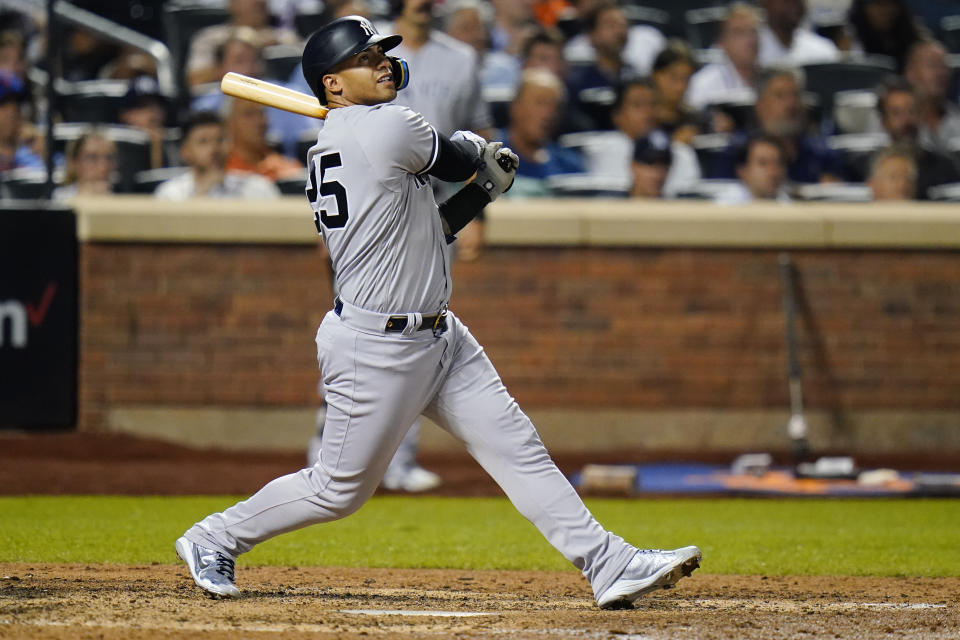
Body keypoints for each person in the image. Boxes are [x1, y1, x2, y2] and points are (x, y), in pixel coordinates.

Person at [174, 15, 701, 608]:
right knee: (336, 491)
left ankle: (608, 563)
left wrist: (482, 192)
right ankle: (212, 536)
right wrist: (479, 151)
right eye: (364, 57)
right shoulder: (384, 129)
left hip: (438, 335)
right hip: (377, 346)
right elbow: (453, 158)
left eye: (381, 52)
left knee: (515, 446)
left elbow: (430, 232)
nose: (381, 61)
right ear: (333, 85)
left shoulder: (350, 138)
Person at [155, 111, 280, 200]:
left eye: (220, 140)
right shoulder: (170, 194)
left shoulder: (257, 188)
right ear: (185, 151)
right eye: (203, 141)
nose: (214, 148)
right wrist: (204, 191)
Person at [502, 69, 586, 196]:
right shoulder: (485, 157)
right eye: (541, 103)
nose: (549, 114)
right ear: (516, 107)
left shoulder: (571, 169)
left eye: (555, 106)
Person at [873, 76, 959, 199]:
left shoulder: (944, 167)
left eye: (911, 111)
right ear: (883, 121)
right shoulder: (868, 166)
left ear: (921, 115)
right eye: (896, 113)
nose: (906, 120)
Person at [186, 0, 300, 88]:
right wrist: (232, 61)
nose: (257, 2)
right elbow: (195, 80)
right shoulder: (210, 37)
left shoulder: (285, 38)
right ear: (232, 3)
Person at [685, 3, 760, 113]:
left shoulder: (771, 80)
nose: (750, 40)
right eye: (739, 32)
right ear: (722, 43)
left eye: (753, 31)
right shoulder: (704, 84)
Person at [224, 98, 304, 181]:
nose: (260, 122)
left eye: (262, 113)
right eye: (248, 114)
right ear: (229, 123)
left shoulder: (288, 171)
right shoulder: (219, 171)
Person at [903, 39, 960, 153]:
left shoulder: (957, 117)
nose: (940, 73)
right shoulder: (891, 115)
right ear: (911, 73)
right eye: (932, 65)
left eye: (944, 67)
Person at [847, 0, 924, 73]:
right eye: (879, 4)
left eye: (890, 4)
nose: (885, 11)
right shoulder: (849, 37)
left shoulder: (909, 33)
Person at [758, 0, 839, 67]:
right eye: (786, 1)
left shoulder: (822, 49)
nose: (794, 7)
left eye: (798, 1)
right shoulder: (753, 49)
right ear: (765, 3)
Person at [716, 134, 791, 204]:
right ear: (743, 171)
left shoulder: (790, 205)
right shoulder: (725, 206)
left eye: (778, 163)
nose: (773, 172)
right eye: (763, 163)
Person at [117, 75, 171, 170]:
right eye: (143, 106)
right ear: (125, 115)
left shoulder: (174, 146)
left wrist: (157, 148)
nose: (153, 114)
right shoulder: (115, 150)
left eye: (157, 106)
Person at [650, 41, 698, 145]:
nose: (680, 87)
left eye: (685, 79)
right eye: (673, 77)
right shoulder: (643, 119)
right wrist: (676, 145)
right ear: (655, 75)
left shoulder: (694, 120)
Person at [53, 129, 116, 200]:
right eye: (92, 157)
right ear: (73, 163)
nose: (103, 166)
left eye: (108, 158)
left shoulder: (123, 201)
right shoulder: (58, 201)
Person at [0, 70, 41, 174]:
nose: (12, 112)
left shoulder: (31, 148)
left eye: (16, 104)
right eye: (3, 104)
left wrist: (41, 151)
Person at [630, 131, 672, 199]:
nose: (657, 175)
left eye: (663, 165)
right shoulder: (611, 204)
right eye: (649, 164)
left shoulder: (680, 207)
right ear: (633, 166)